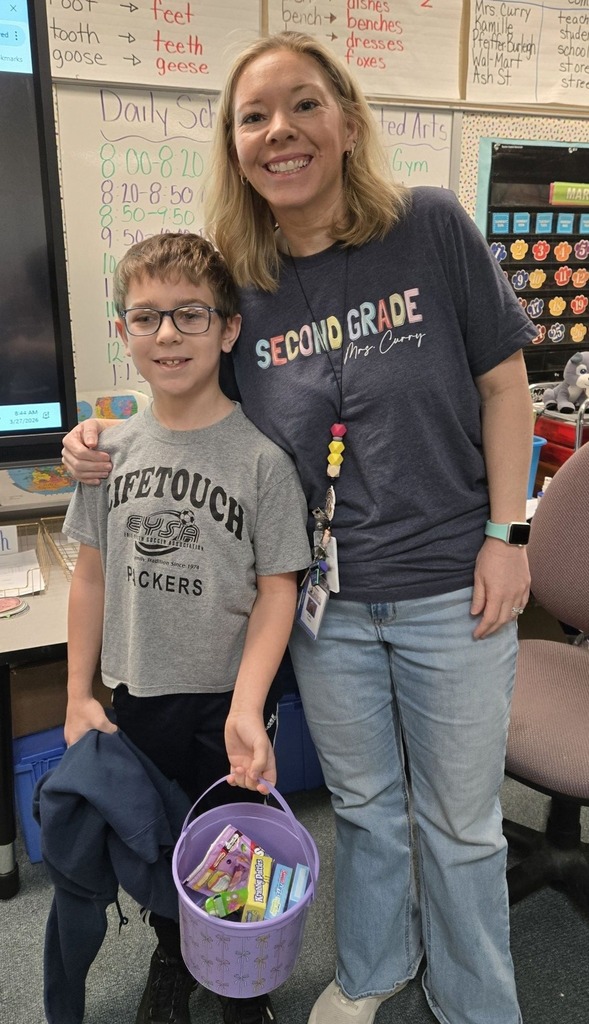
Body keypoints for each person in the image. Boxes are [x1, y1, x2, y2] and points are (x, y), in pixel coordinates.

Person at [61, 31, 538, 1024]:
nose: (280, 130)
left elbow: (505, 386)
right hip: (330, 605)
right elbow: (187, 395)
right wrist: (94, 436)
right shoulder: (248, 279)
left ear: (347, 119)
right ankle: (371, 970)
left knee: (459, 823)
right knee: (364, 810)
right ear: (234, 145)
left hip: (456, 582)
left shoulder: (430, 226)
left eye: (304, 104)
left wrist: (507, 534)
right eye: (253, 115)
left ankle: (474, 1003)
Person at [61, 232, 311, 1024]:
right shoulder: (108, 453)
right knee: (159, 844)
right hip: (137, 696)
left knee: (233, 840)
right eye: (146, 318)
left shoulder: (262, 461)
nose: (166, 335)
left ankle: (244, 977)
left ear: (228, 329)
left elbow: (279, 591)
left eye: (189, 316)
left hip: (223, 702)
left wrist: (247, 704)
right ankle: (174, 958)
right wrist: (76, 692)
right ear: (125, 331)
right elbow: (91, 574)